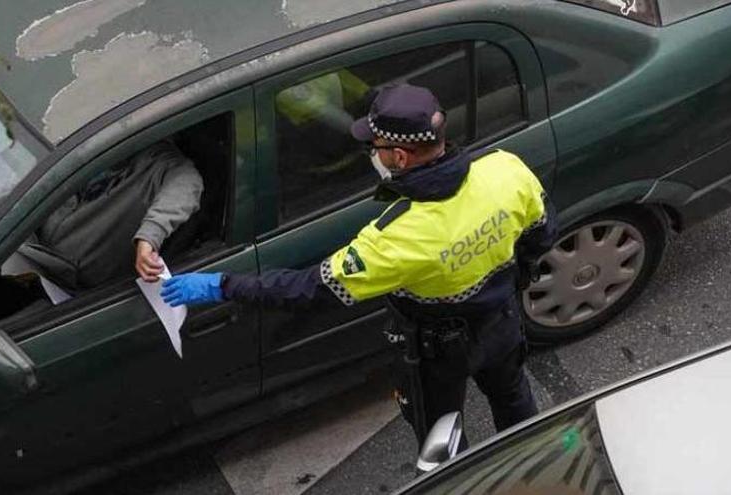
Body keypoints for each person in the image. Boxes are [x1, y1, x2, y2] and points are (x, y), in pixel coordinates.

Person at [160, 84, 556, 447]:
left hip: (438, 353)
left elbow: (309, 289)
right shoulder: (505, 169)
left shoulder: (394, 237)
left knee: (442, 441)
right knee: (514, 399)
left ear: (398, 156)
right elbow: (541, 234)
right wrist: (509, 280)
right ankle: (534, 466)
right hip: (502, 322)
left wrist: (223, 285)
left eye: (376, 145)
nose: (373, 153)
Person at [18, 139, 203, 291]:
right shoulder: (85, 140)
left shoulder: (161, 164)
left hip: (72, 290)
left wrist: (149, 237)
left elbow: (186, 184)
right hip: (27, 254)